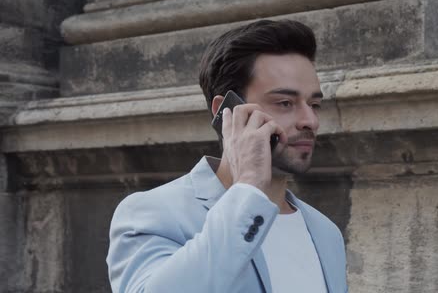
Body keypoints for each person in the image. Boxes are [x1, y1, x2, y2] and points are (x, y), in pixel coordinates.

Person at [106, 19, 348, 293]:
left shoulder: (325, 232)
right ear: (226, 111)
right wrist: (247, 189)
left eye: (314, 104)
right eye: (285, 103)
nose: (310, 121)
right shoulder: (152, 213)